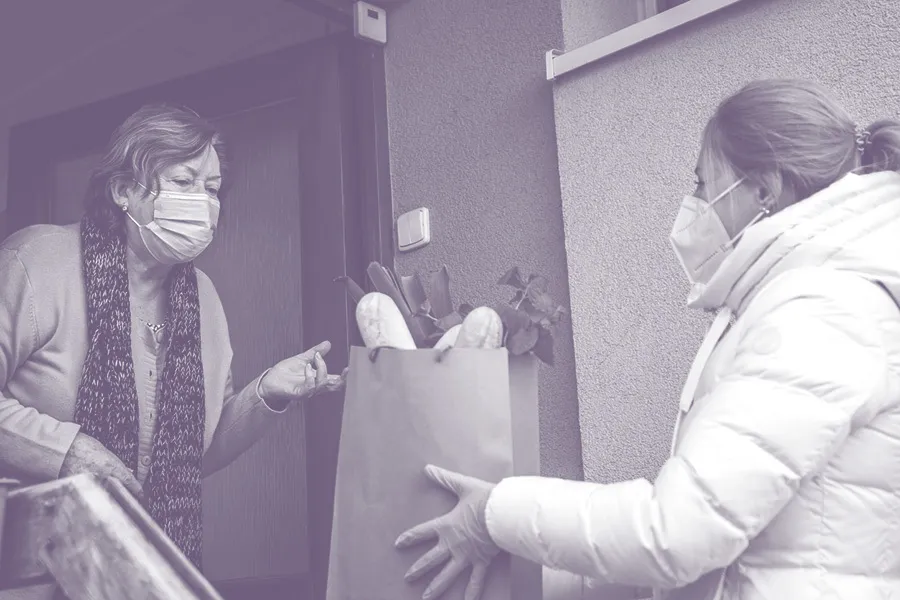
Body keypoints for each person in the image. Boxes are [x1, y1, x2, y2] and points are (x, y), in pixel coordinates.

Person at [394, 78, 900, 600]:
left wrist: (495, 513)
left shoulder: (820, 312)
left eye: (704, 183)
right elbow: (719, 545)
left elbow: (677, 533)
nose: (694, 204)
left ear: (764, 192)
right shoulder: (804, 299)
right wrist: (548, 569)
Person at [0, 104, 345, 595]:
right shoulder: (35, 261)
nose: (203, 203)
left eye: (211, 189)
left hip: (144, 572)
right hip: (31, 569)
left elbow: (191, 456)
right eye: (184, 182)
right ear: (122, 190)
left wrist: (267, 393)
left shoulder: (201, 297)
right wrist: (68, 450)